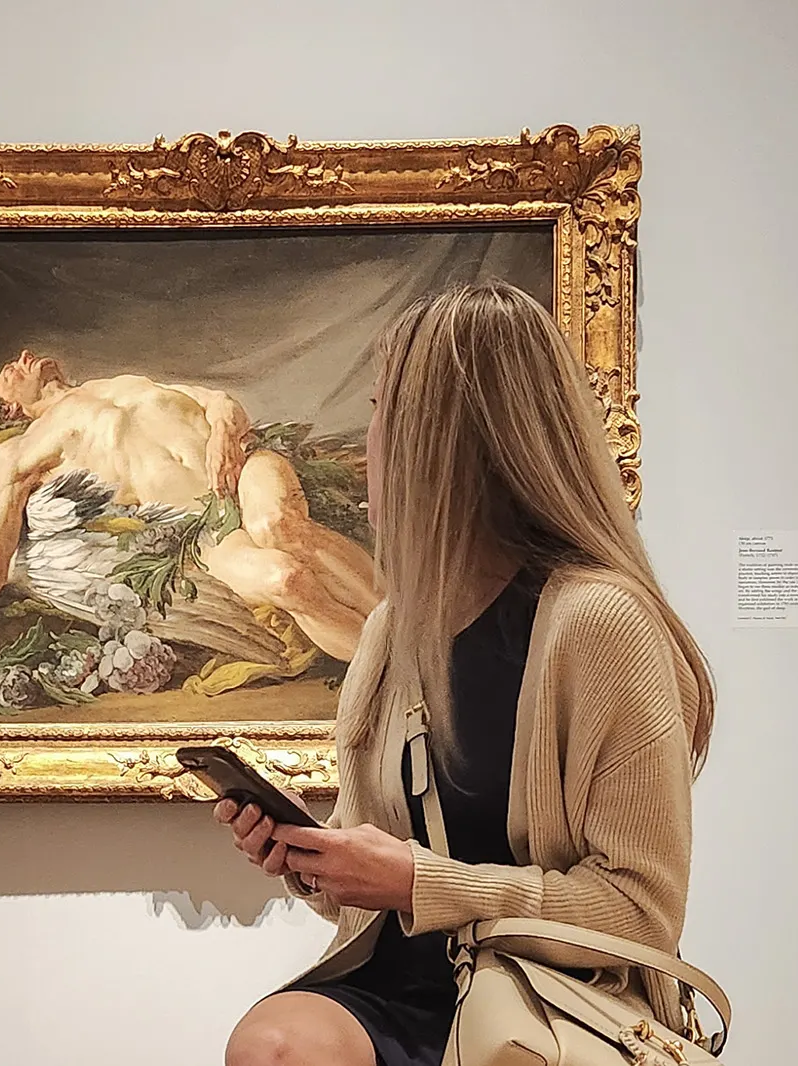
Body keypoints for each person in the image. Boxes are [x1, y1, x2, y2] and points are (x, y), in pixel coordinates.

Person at [214, 282, 715, 1066]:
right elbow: (376, 880)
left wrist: (421, 884)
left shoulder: (601, 623)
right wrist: (316, 862)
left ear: (449, 442)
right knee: (275, 1048)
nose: (367, 444)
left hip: (554, 1007)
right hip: (405, 987)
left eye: (384, 411)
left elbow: (640, 914)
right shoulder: (391, 630)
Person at [0, 351, 380, 698]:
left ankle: (404, 621)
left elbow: (219, 403)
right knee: (287, 580)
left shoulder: (123, 381)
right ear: (7, 409)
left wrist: (223, 434)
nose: (24, 358)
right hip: (204, 528)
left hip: (245, 472)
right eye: (10, 371)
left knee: (280, 525)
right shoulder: (19, 453)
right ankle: (391, 662)